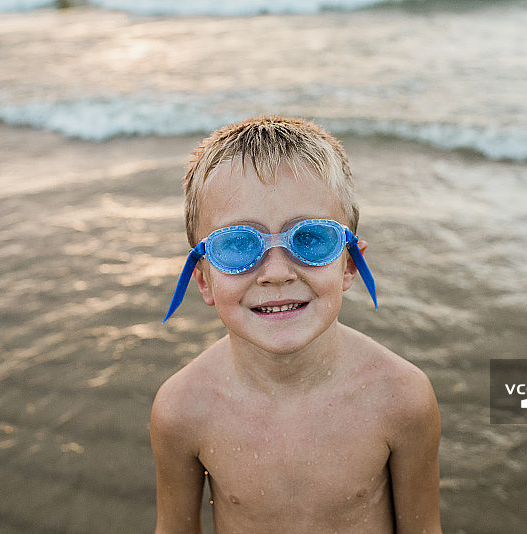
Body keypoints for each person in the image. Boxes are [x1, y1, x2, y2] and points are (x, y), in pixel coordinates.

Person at [151, 117, 442, 534]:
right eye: (238, 244)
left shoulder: (401, 398)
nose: (276, 274)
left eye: (310, 239)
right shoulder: (183, 409)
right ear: (204, 280)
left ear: (348, 264)